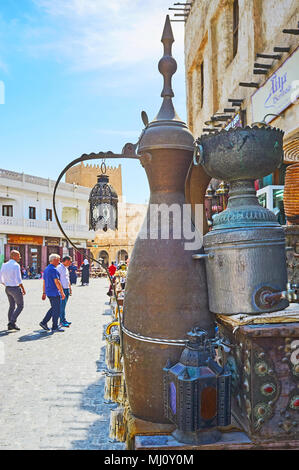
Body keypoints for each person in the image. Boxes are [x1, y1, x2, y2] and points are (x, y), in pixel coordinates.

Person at [0, 250, 26, 331]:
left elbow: (1, 278)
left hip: (7, 288)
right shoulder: (16, 265)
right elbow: (19, 279)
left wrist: (6, 283)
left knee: (11, 306)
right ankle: (12, 322)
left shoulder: (4, 265)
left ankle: (10, 324)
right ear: (13, 256)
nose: (20, 258)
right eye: (18, 256)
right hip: (15, 288)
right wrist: (23, 288)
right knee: (20, 306)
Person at [39, 254, 66, 333]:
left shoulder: (46, 269)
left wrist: (44, 292)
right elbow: (57, 282)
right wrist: (62, 292)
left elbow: (44, 282)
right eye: (58, 260)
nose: (59, 261)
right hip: (54, 292)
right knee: (56, 310)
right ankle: (54, 326)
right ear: (54, 260)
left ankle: (44, 322)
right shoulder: (54, 269)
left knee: (54, 308)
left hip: (49, 292)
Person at [57, 256, 72, 328]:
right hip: (62, 289)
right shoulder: (59, 267)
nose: (70, 263)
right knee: (62, 305)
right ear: (66, 261)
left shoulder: (66, 268)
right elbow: (57, 279)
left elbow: (67, 279)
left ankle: (64, 319)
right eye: (70, 261)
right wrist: (60, 290)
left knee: (64, 305)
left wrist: (70, 288)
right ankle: (61, 321)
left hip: (67, 288)